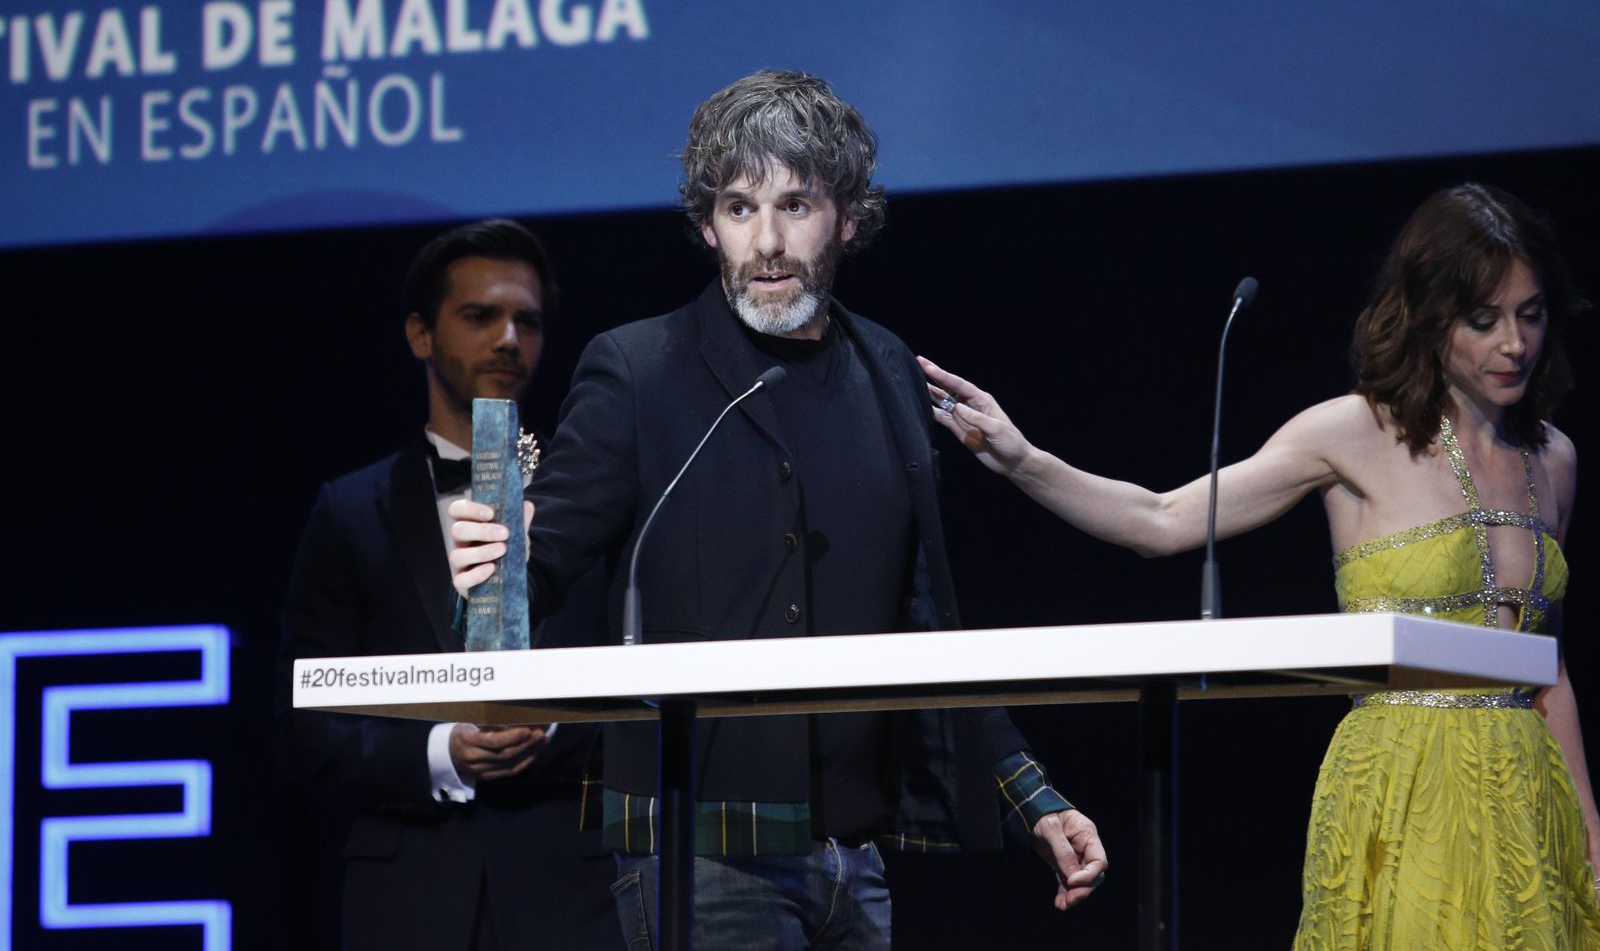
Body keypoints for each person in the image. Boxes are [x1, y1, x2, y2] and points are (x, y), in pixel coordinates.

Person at [448, 70, 1107, 949]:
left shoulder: (886, 368)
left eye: (795, 205)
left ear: (848, 218)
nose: (765, 241)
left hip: (857, 858)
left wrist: (1032, 794)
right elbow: (538, 559)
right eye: (738, 207)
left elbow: (924, 621)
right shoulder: (639, 368)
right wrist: (494, 565)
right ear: (707, 224)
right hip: (699, 851)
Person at [920, 183, 1600, 949]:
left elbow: (1548, 665)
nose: (1514, 343)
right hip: (1404, 784)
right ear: (1430, 316)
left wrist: (1590, 824)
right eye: (1484, 320)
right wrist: (1023, 460)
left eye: (1531, 314)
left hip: (1529, 795)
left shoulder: (1554, 458)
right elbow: (1163, 519)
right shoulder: (1352, 432)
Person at [275, 219, 621, 951]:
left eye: (527, 320)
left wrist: (553, 727)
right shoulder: (350, 512)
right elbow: (303, 721)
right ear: (420, 334)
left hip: (570, 893)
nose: (508, 339)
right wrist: (442, 752)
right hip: (408, 896)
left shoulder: (593, 498)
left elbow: (641, 677)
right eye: (480, 315)